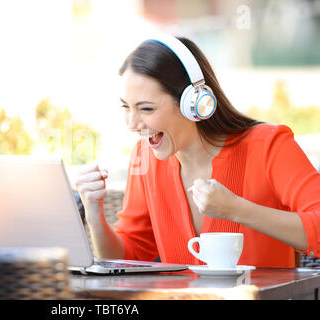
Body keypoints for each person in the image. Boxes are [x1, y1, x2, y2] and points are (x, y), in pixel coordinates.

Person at [75, 35, 320, 268]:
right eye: (126, 107)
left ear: (194, 102)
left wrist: (237, 209)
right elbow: (128, 258)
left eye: (147, 109)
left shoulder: (268, 146)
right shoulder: (145, 156)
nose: (132, 124)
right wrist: (94, 214)